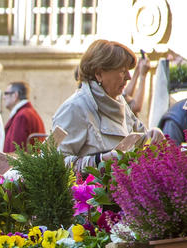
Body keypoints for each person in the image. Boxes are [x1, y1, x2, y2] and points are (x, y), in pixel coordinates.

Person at [52, 39, 164, 173]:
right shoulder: (74, 108)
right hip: (91, 193)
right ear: (99, 74)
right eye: (122, 71)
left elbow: (138, 135)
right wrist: (100, 160)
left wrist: (152, 136)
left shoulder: (119, 100)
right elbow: (55, 163)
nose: (128, 77)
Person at [3, 81, 46, 152]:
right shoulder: (29, 113)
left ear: (15, 95)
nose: (4, 97)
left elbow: (17, 152)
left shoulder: (22, 116)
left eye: (6, 93)